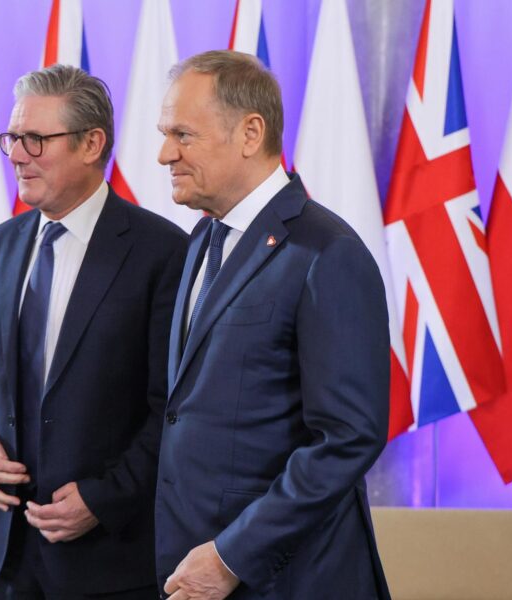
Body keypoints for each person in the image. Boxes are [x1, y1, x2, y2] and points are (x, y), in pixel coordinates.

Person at [154, 50, 392, 599]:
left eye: (183, 135)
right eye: (166, 134)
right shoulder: (202, 241)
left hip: (286, 579)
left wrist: (232, 555)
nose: (165, 153)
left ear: (250, 132)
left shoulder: (326, 253)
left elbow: (349, 437)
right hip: (196, 571)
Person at [0, 64, 186, 599]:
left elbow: (174, 408)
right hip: (4, 565)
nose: (15, 154)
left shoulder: (162, 252)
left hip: (110, 566)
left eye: (35, 139)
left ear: (90, 144)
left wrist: (105, 499)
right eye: (12, 138)